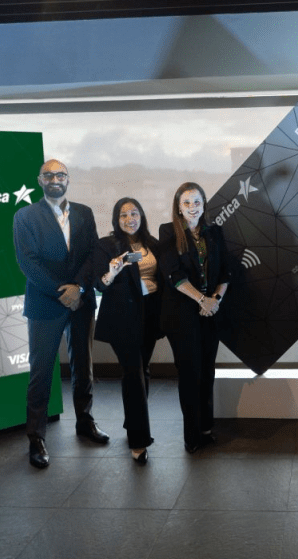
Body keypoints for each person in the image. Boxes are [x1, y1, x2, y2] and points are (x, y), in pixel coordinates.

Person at [13, 159, 109, 469]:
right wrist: (61, 291)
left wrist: (79, 289)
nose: (55, 179)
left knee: (83, 364)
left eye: (61, 174)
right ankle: (36, 437)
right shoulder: (25, 216)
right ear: (39, 180)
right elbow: (28, 263)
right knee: (41, 370)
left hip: (80, 301)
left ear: (68, 179)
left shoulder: (84, 213)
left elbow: (93, 253)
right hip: (45, 303)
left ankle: (85, 421)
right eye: (49, 175)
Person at [157, 182, 232, 453]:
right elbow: (174, 275)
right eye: (186, 203)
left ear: (204, 204)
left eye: (197, 202)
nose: (192, 208)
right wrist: (202, 300)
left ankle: (205, 428)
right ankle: (191, 436)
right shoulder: (167, 232)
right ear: (178, 205)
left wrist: (215, 301)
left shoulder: (214, 232)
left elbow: (224, 272)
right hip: (182, 314)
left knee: (207, 372)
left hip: (210, 313)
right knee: (190, 374)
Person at [93, 198, 164, 464]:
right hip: (122, 320)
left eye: (134, 213)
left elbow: (162, 277)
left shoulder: (153, 244)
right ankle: (139, 440)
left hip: (149, 317)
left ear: (142, 216)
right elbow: (100, 285)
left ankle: (131, 422)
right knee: (133, 373)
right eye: (123, 215)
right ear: (116, 219)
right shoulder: (107, 245)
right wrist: (112, 271)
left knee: (142, 370)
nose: (129, 219)